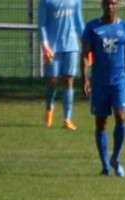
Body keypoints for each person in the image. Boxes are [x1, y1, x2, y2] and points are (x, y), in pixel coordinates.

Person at [81, 0, 125, 177]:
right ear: (102, 5)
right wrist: (84, 77)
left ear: (117, 5)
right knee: (101, 123)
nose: (110, 7)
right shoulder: (92, 27)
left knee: (121, 116)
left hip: (119, 82)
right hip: (99, 83)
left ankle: (115, 157)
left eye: (113, 3)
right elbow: (85, 54)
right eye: (107, 3)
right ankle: (105, 166)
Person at [39, 0, 84, 130]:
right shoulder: (46, 1)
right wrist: (45, 46)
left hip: (71, 46)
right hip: (52, 48)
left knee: (68, 80)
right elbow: (42, 24)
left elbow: (79, 22)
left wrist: (87, 43)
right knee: (52, 81)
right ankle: (49, 108)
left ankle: (67, 119)